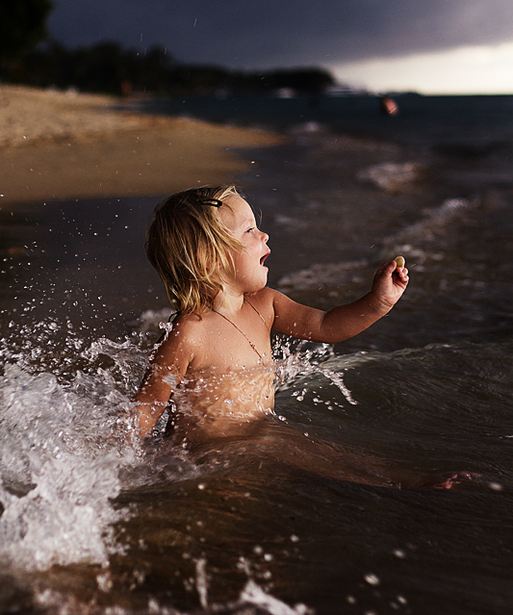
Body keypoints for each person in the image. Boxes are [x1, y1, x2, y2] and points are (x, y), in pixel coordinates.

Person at [133, 185, 408, 439]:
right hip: (204, 457)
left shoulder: (265, 304)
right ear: (209, 259)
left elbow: (327, 326)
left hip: (256, 438)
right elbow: (144, 413)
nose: (264, 235)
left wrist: (378, 302)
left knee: (311, 450)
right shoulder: (189, 334)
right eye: (249, 230)